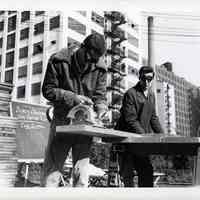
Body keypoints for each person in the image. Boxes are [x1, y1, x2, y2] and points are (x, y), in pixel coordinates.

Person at [41, 33, 108, 187]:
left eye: (94, 61)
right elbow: (48, 90)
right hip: (62, 122)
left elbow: (100, 96)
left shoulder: (100, 68)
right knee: (52, 174)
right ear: (82, 48)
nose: (91, 63)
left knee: (82, 177)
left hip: (85, 125)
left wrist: (101, 108)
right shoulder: (59, 60)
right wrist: (73, 98)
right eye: (89, 58)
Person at [115, 66, 164, 187]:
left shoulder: (151, 95)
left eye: (149, 79)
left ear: (153, 79)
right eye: (144, 78)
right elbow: (130, 119)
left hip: (141, 142)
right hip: (127, 141)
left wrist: (163, 136)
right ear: (139, 77)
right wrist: (145, 137)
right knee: (127, 177)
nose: (147, 82)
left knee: (147, 171)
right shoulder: (130, 94)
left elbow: (153, 118)